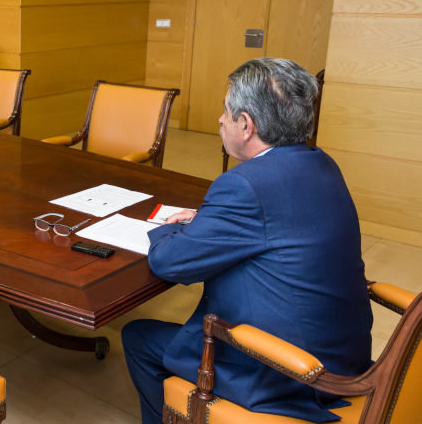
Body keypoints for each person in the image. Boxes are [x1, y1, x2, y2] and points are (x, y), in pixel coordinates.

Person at [122, 58, 372, 424]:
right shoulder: (321, 163)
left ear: (246, 124)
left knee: (138, 336)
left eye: (226, 111)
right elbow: (278, 224)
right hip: (344, 358)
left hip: (289, 373)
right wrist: (211, 222)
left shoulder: (245, 184)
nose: (221, 120)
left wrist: (169, 228)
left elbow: (169, 262)